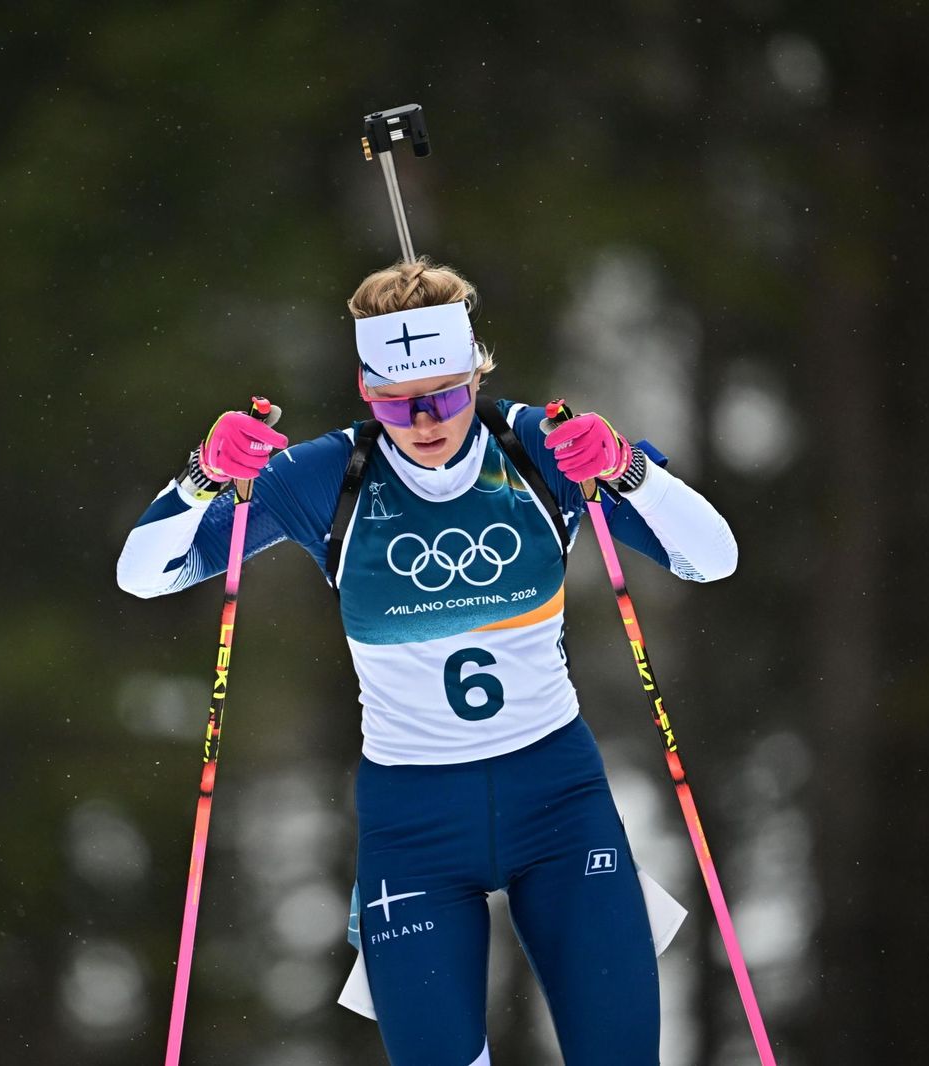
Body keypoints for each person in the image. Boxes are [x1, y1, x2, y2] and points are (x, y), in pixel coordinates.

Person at [118, 258, 737, 1065]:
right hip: (413, 823)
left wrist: (628, 470)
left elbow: (711, 558)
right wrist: (202, 478)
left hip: (559, 799)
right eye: (396, 401)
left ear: (476, 371)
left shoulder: (537, 449)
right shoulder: (327, 478)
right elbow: (146, 575)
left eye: (444, 395)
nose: (423, 420)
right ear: (365, 389)